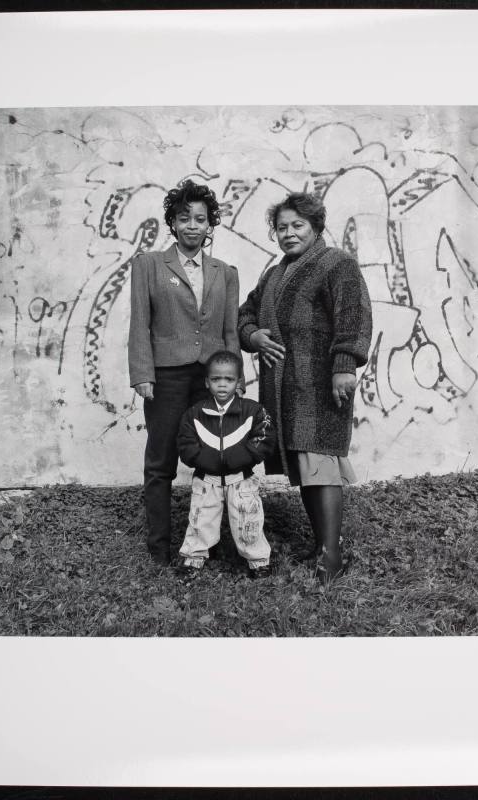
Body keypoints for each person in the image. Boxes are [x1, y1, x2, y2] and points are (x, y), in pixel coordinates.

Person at [237, 192, 372, 582]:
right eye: (282, 227)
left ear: (316, 227)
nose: (289, 233)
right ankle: (320, 543)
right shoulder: (276, 273)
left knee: (322, 462)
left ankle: (331, 556)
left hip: (320, 384)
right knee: (305, 464)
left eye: (298, 225)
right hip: (285, 389)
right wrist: (254, 336)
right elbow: (246, 312)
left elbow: (354, 316)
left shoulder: (337, 264)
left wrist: (344, 367)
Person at [128, 180, 242, 566]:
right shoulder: (148, 264)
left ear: (211, 225)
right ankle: (159, 546)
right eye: (184, 218)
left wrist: (233, 378)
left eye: (201, 219)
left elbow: (229, 331)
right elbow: (140, 324)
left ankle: (205, 543)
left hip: (211, 378)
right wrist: (142, 373)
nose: (192, 225)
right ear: (172, 223)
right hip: (167, 375)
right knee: (161, 461)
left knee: (214, 460)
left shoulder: (225, 272)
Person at [176, 350, 275, 578]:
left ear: (238, 381)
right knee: (201, 519)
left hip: (241, 480)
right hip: (207, 481)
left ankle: (258, 561)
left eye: (229, 380)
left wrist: (241, 457)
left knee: (248, 521)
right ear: (206, 382)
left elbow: (266, 437)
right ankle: (194, 558)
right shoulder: (195, 414)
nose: (222, 385)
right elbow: (185, 442)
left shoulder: (253, 411)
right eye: (216, 379)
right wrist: (202, 459)